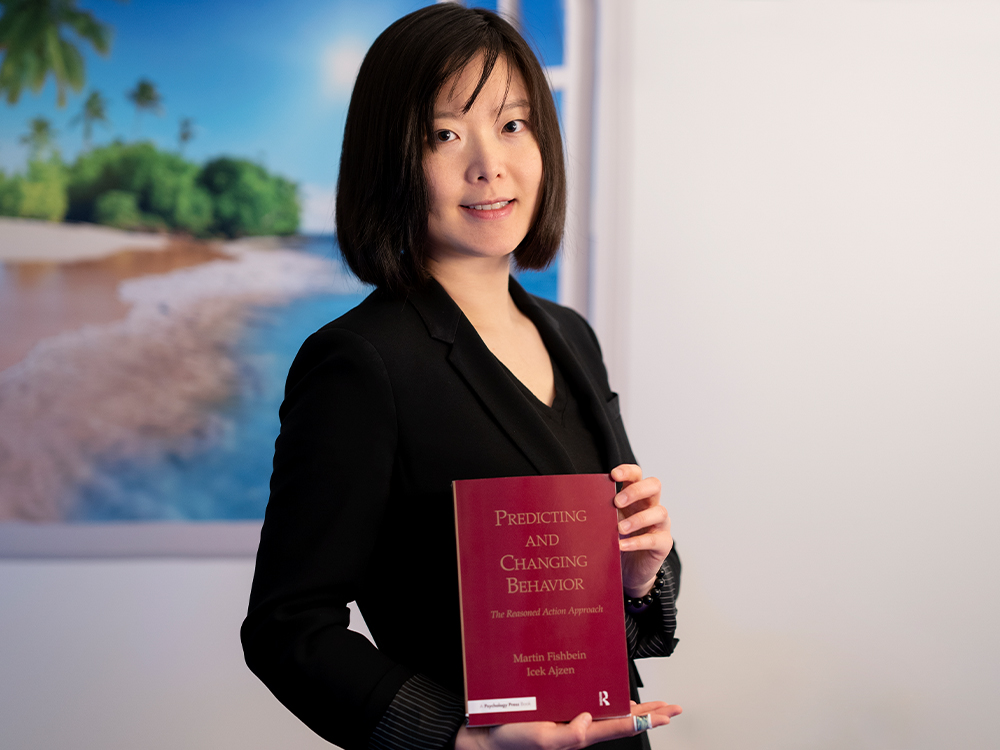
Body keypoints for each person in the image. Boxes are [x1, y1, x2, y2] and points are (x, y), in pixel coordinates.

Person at [241, 6, 681, 750]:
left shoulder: (571, 335)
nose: (490, 164)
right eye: (446, 134)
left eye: (513, 125)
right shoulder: (359, 361)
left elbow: (609, 625)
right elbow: (288, 630)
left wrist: (637, 576)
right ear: (391, 161)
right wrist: (459, 740)